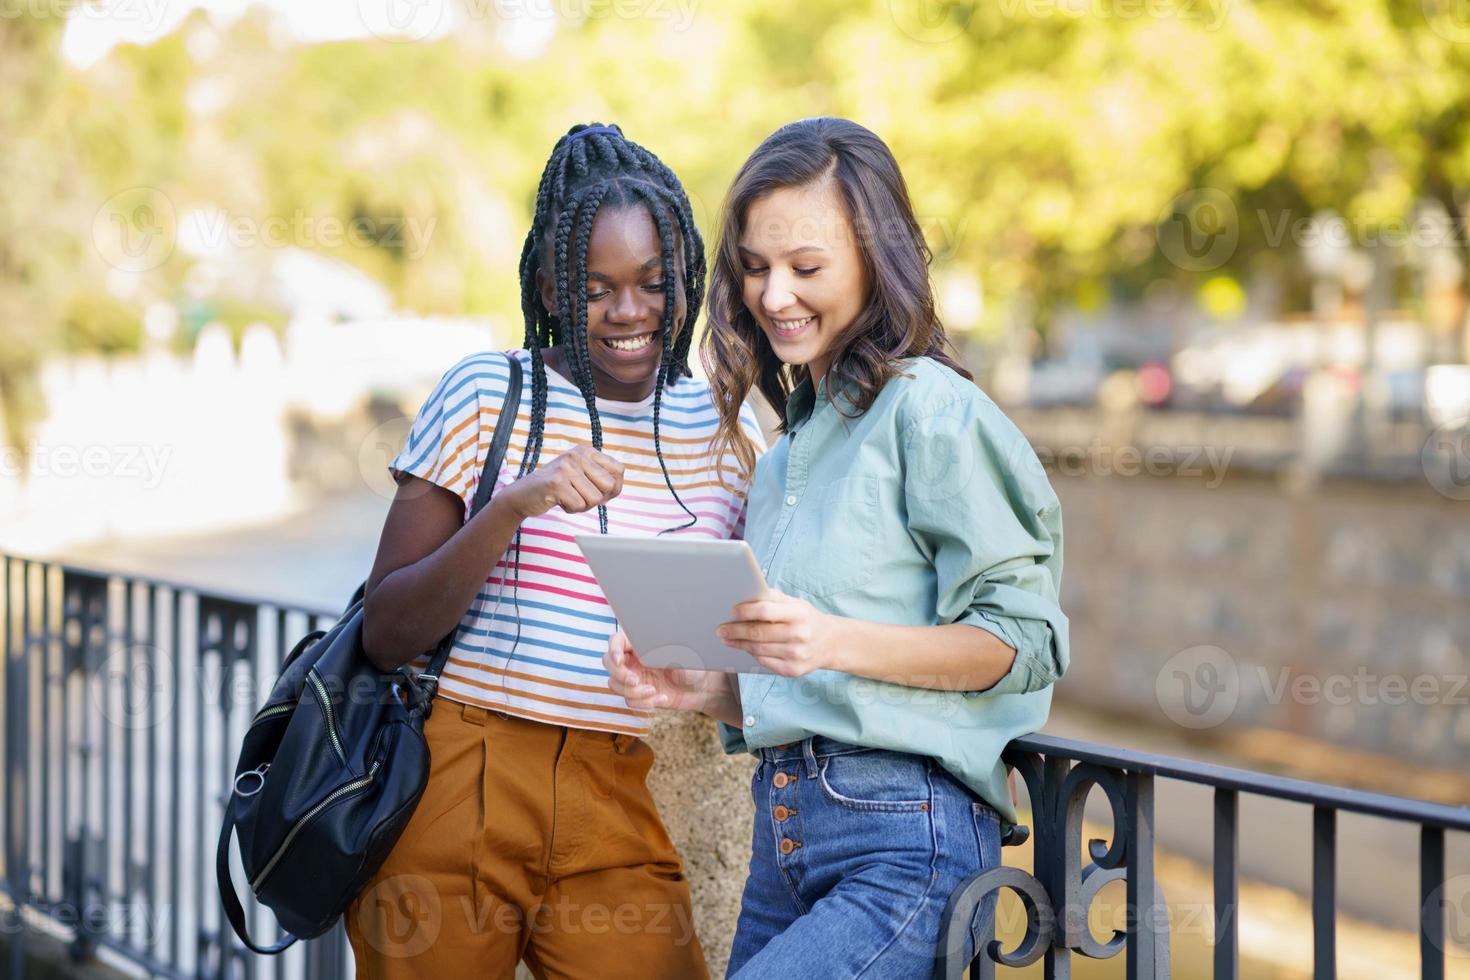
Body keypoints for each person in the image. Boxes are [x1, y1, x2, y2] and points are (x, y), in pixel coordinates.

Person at [605, 117, 1068, 978]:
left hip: (905, 847)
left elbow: (1025, 643)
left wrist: (827, 636)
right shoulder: (784, 456)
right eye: (755, 267)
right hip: (784, 840)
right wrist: (702, 688)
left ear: (875, 260)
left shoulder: (931, 412)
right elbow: (820, 692)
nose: (774, 294)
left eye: (806, 267)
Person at [351, 122, 760, 979]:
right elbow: (385, 630)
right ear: (548, 281)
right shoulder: (487, 392)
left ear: (683, 275)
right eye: (595, 287)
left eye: (654, 283)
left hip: (615, 787)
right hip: (460, 779)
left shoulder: (725, 424)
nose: (628, 313)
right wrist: (512, 507)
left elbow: (763, 616)